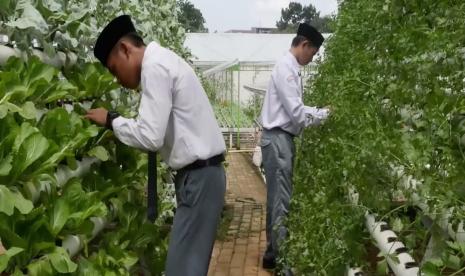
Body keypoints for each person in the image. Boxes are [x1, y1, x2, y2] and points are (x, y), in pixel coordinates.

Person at [85, 15, 226, 276]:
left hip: (200, 180)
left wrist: (111, 120)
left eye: (115, 70)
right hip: (202, 178)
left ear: (126, 49)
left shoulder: (155, 67)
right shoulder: (163, 61)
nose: (118, 80)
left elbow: (150, 136)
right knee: (188, 268)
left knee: (181, 271)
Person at [259, 23, 330, 271]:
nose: (312, 58)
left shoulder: (288, 69)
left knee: (275, 199)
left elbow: (296, 111)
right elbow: (298, 116)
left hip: (277, 139)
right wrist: (324, 116)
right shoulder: (286, 70)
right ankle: (284, 263)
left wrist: (322, 112)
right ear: (304, 45)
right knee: (281, 202)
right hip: (278, 141)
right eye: (313, 53)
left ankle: (271, 253)